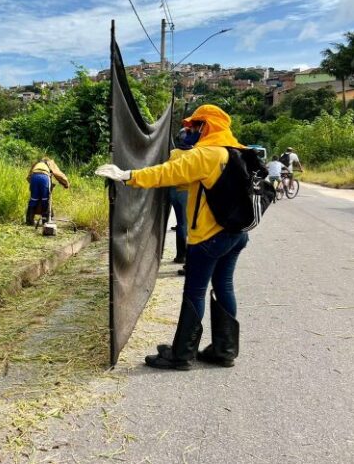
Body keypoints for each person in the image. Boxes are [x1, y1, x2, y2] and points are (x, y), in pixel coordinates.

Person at [96, 104, 248, 370]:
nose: (189, 130)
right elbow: (185, 178)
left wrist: (127, 176)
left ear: (207, 126)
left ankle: (181, 355)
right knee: (224, 285)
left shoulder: (206, 155)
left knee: (195, 291)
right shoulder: (237, 152)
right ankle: (225, 349)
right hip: (237, 235)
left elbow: (166, 174)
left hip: (209, 238)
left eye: (194, 125)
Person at [168, 128, 197, 275]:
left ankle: (180, 255)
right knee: (187, 225)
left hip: (173, 191)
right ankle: (185, 256)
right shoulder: (195, 154)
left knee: (181, 223)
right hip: (188, 192)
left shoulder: (172, 154)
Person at [26, 157, 69, 225]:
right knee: (45, 199)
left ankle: (29, 220)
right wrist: (66, 184)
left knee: (33, 199)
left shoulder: (36, 163)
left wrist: (34, 186)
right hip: (44, 177)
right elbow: (58, 174)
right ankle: (45, 220)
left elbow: (28, 178)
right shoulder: (50, 163)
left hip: (34, 177)